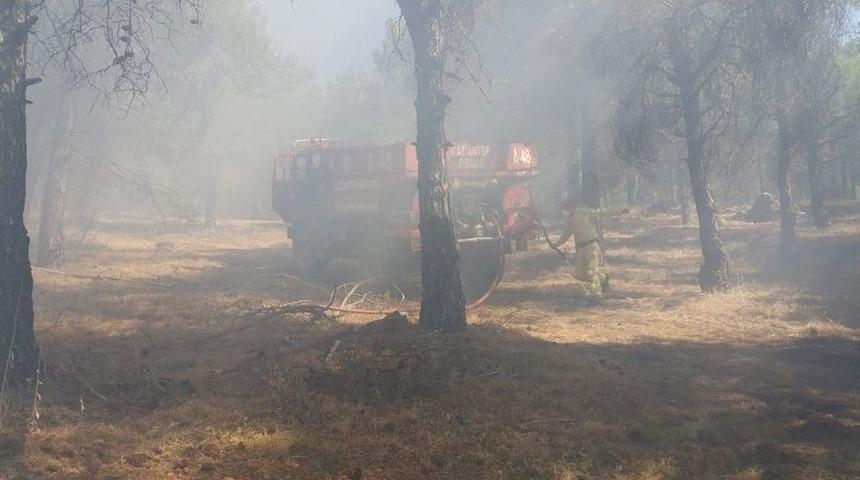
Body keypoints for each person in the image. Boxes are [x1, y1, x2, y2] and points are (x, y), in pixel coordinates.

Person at [551, 198, 628, 296]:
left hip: (591, 245)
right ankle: (603, 278)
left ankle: (596, 294)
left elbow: (602, 213)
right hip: (580, 249)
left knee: (593, 271)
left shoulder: (584, 211)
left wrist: (620, 211)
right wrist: (556, 245)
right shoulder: (569, 219)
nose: (564, 207)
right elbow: (566, 234)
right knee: (579, 274)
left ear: (570, 204)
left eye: (565, 204)